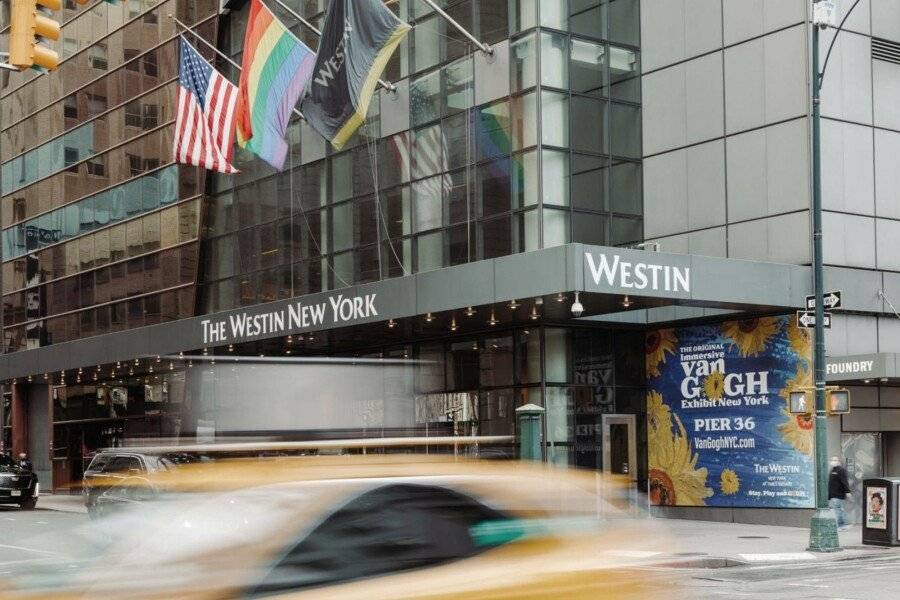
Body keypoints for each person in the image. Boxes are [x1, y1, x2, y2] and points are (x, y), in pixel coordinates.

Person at [828, 456, 851, 530]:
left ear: (839, 461)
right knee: (839, 509)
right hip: (833, 494)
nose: (833, 461)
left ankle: (841, 525)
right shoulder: (832, 470)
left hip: (839, 494)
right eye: (832, 460)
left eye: (835, 460)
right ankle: (843, 524)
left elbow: (844, 481)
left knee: (839, 509)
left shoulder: (841, 470)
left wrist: (847, 491)